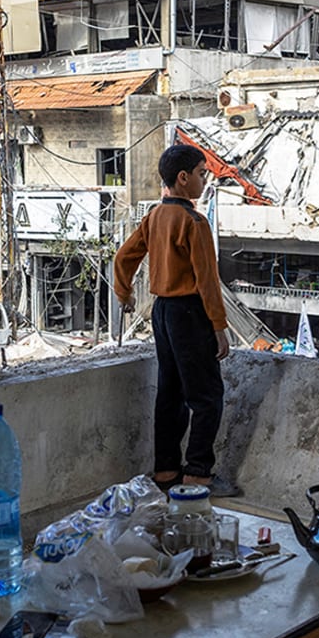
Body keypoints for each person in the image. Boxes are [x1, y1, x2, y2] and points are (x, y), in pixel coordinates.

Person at [113, 143, 230, 492]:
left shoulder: (153, 217)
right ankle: (197, 474)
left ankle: (165, 471)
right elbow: (207, 280)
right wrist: (220, 327)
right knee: (207, 397)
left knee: (171, 392)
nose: (204, 180)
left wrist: (125, 292)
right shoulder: (194, 222)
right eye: (201, 173)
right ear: (183, 178)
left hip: (161, 312)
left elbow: (123, 257)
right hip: (190, 313)